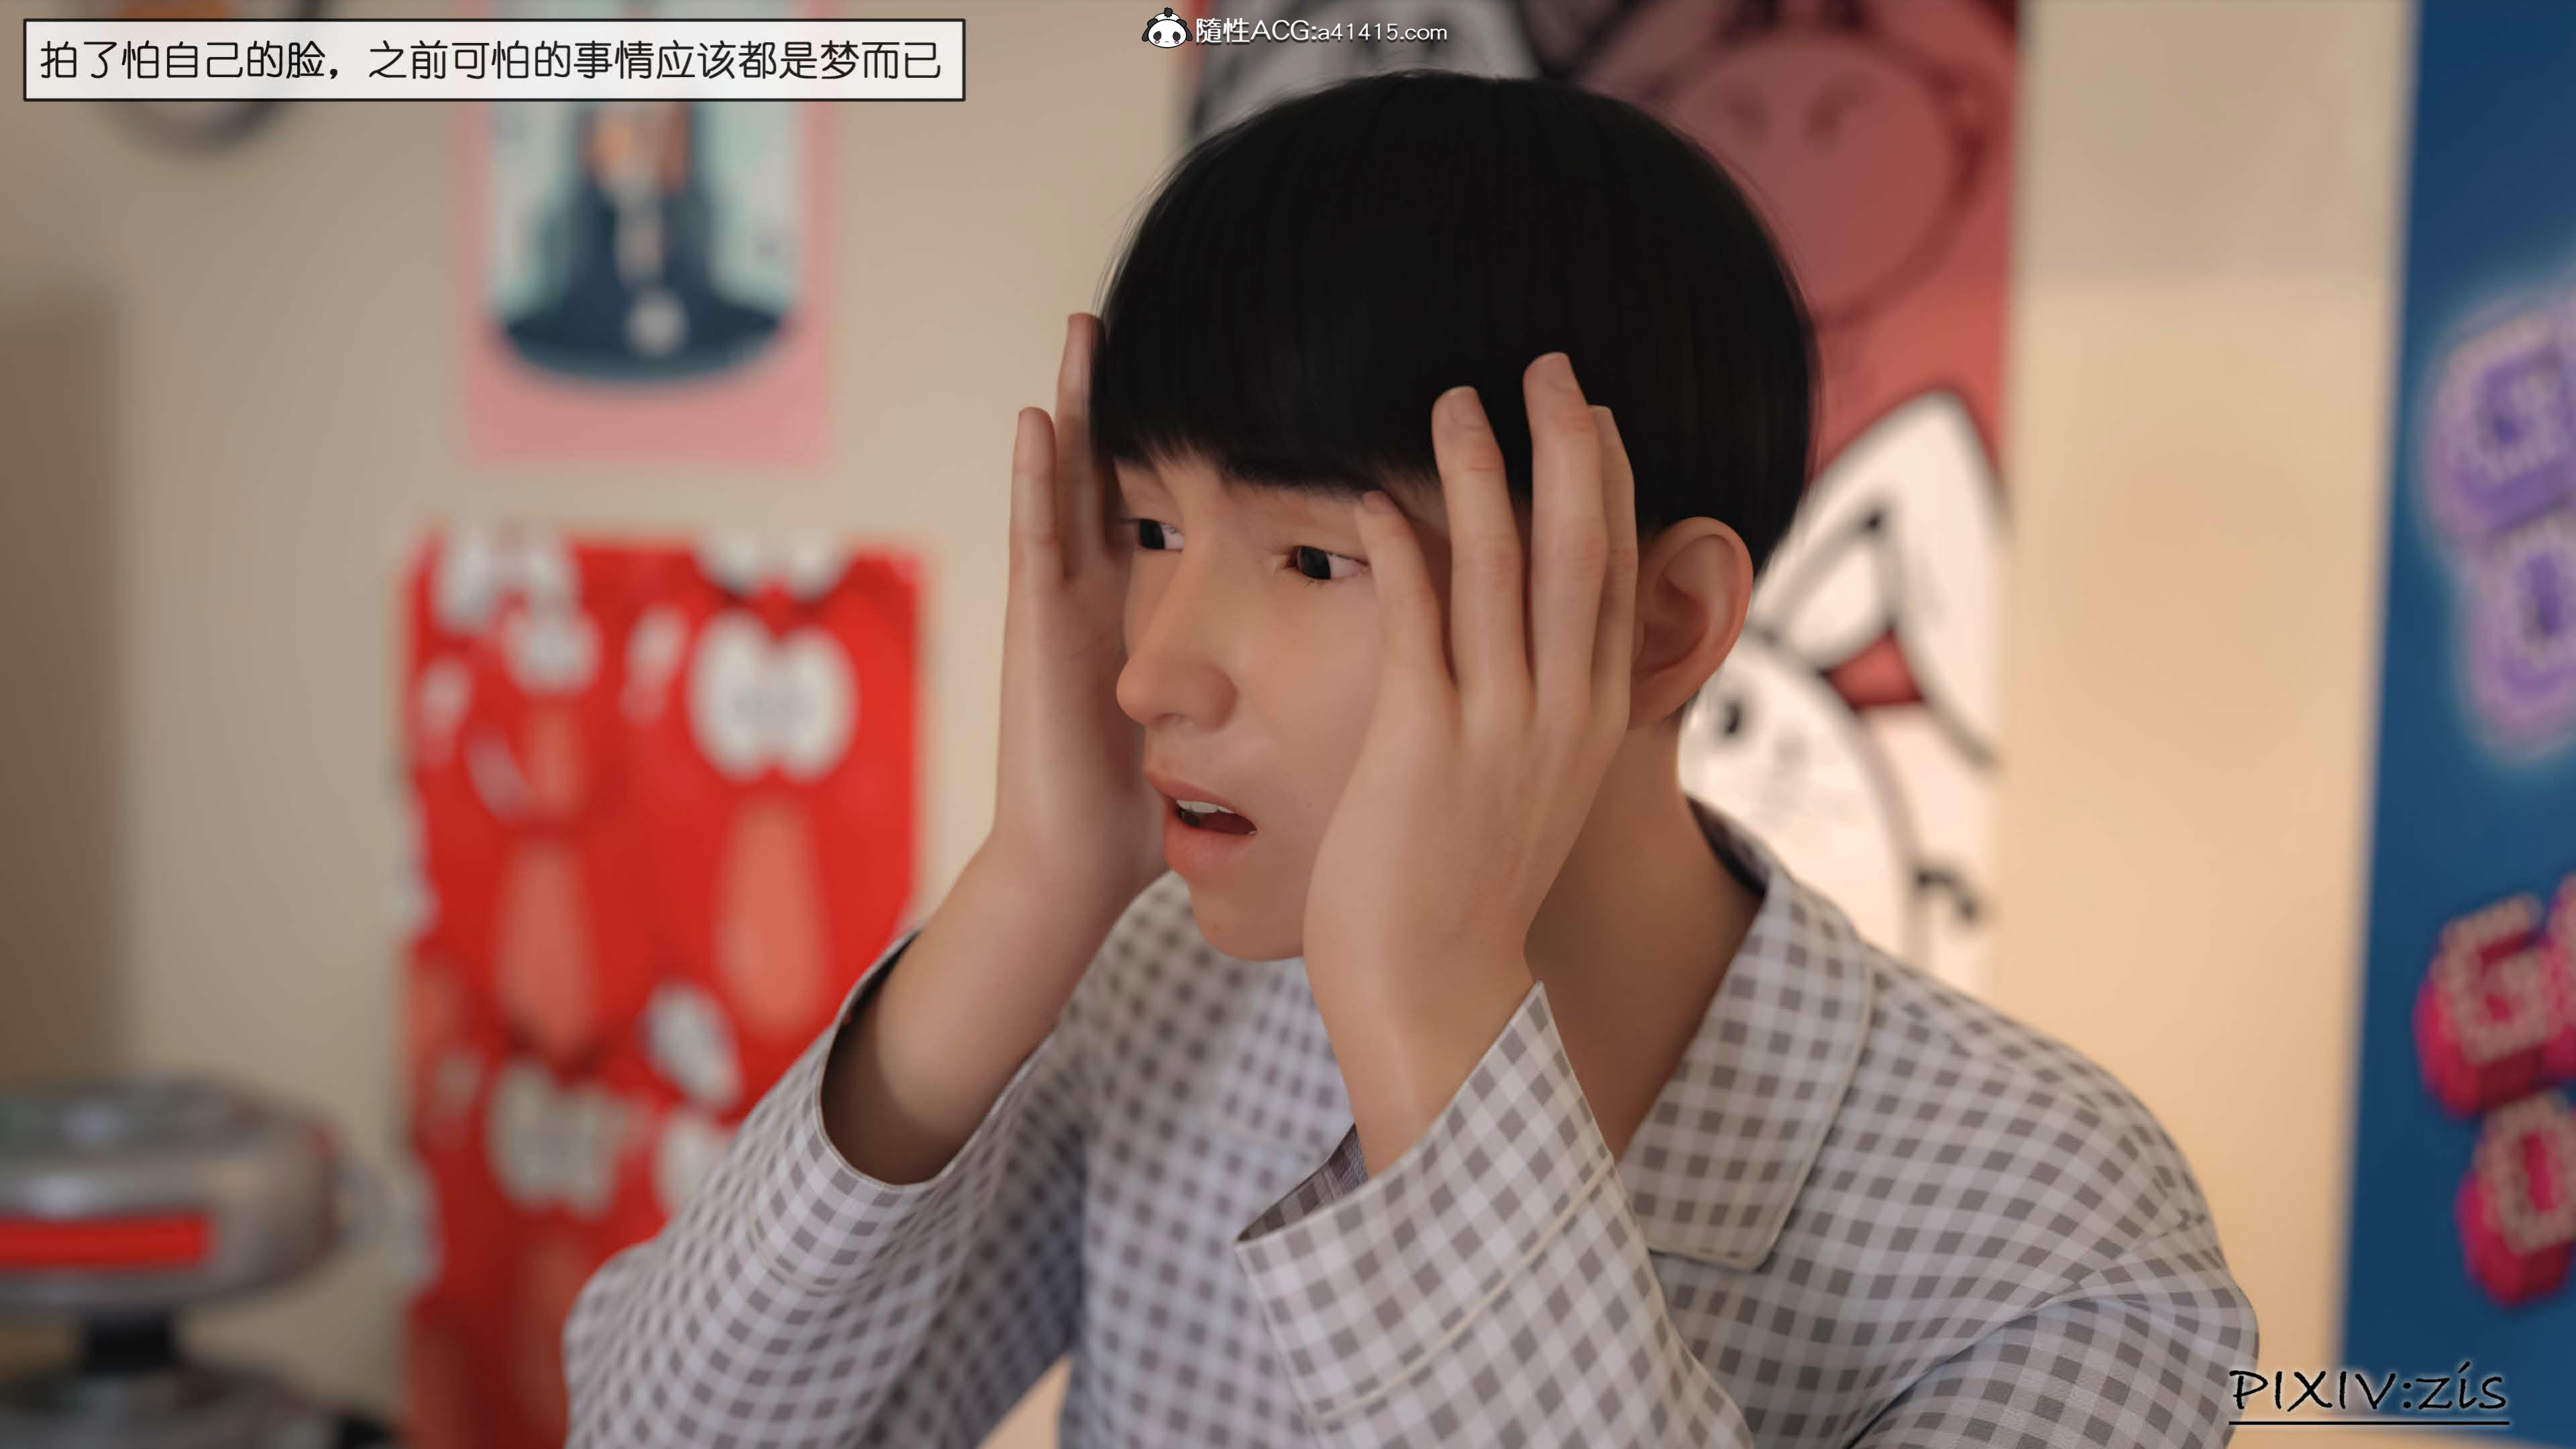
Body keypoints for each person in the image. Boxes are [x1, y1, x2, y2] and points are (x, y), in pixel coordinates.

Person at [561, 69, 2256, 1446]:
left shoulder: (2052, 1230)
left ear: (1663, 623)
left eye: (1312, 558)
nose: (1151, 668)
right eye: (1150, 527)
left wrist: (1432, 1018)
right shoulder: (1158, 996)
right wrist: (1026, 899)